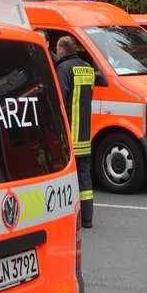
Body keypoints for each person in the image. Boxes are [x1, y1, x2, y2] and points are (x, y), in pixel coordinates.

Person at [54, 36, 108, 228]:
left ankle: (64, 220)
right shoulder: (86, 67)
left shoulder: (63, 69)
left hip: (69, 135)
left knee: (63, 180)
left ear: (61, 50)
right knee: (84, 178)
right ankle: (87, 219)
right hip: (85, 133)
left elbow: (60, 100)